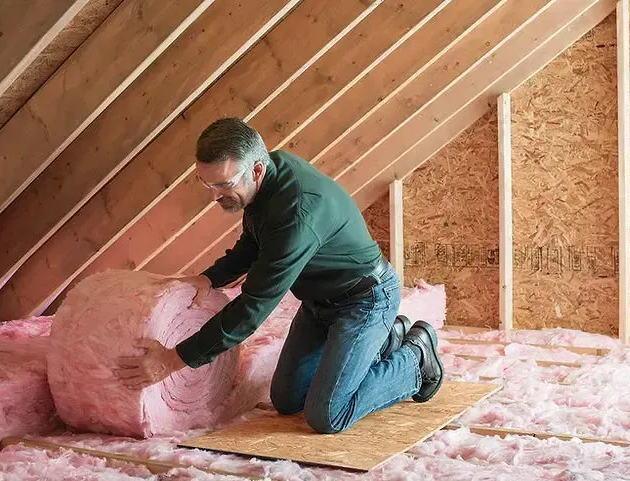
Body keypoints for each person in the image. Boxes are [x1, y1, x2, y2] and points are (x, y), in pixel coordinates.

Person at [113, 118, 443, 434]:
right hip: (318, 303)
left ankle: (415, 356)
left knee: (328, 415)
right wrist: (208, 278)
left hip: (364, 300)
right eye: (207, 184)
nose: (215, 196)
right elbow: (255, 243)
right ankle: (385, 341)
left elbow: (252, 309)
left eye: (224, 184)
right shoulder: (268, 177)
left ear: (256, 170)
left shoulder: (298, 210)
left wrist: (173, 359)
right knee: (286, 401)